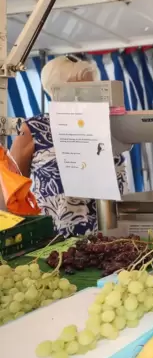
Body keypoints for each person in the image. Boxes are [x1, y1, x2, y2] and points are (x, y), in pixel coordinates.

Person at [10, 55, 128, 237]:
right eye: (82, 88)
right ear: (56, 89)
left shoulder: (105, 123)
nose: (90, 94)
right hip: (57, 237)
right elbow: (12, 187)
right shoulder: (33, 129)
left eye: (92, 86)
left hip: (113, 233)